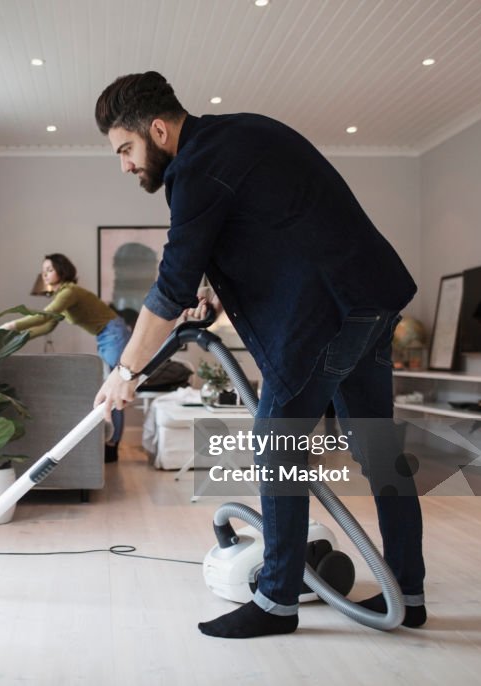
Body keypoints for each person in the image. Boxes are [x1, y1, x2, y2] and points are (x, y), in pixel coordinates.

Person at [93, 72, 427, 638]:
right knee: (377, 450)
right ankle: (409, 593)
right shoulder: (241, 134)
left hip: (323, 315)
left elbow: (171, 282)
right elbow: (280, 232)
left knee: (277, 444)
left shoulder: (195, 168)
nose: (124, 164)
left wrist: (125, 370)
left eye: (125, 148)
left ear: (156, 129)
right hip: (367, 299)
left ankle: (276, 601)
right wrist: (214, 293)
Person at [4, 253, 131, 462]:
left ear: (62, 271)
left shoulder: (70, 291)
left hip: (113, 334)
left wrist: (11, 326)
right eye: (43, 270)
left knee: (114, 389)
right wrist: (16, 339)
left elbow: (44, 315)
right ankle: (110, 444)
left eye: (50, 270)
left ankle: (112, 445)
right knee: (110, 388)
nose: (45, 274)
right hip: (106, 336)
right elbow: (48, 325)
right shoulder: (65, 295)